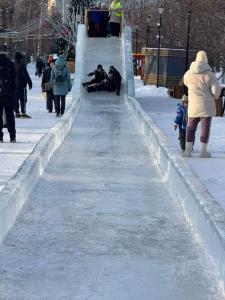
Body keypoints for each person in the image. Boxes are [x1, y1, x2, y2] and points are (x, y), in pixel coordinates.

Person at [183, 51, 221, 158]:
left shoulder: (188, 73)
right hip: (206, 106)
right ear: (206, 60)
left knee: (190, 127)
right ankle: (203, 152)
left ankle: (187, 151)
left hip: (193, 106)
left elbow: (185, 82)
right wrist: (215, 96)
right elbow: (216, 92)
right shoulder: (210, 75)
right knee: (205, 127)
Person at [0, 52, 16, 142]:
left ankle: (0, 137)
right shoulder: (11, 64)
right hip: (9, 95)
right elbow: (14, 80)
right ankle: (12, 136)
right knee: (10, 116)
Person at [14, 52, 32, 118]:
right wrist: (30, 83)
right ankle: (23, 112)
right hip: (21, 85)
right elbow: (25, 75)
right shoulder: (22, 65)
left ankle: (17, 112)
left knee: (15, 99)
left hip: (14, 85)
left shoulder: (13, 64)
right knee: (23, 99)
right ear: (20, 58)